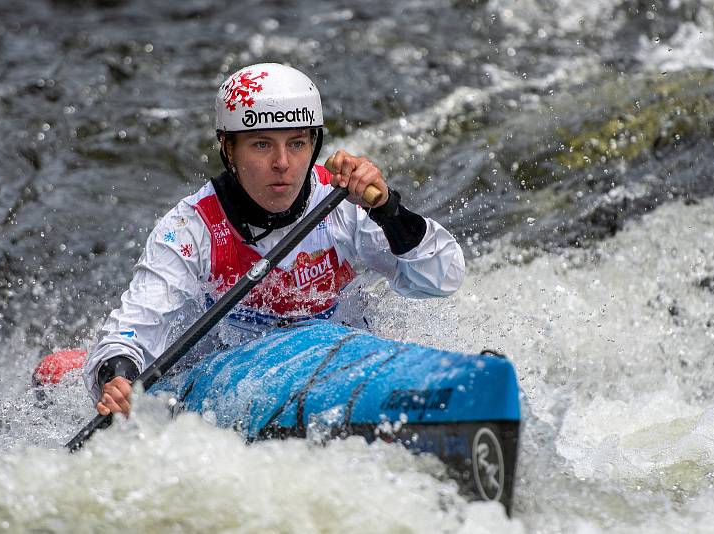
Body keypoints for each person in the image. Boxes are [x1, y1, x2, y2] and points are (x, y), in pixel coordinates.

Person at [84, 63, 465, 417]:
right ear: (228, 149)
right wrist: (116, 378)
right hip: (238, 385)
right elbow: (131, 334)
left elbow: (442, 279)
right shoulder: (189, 229)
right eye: (262, 145)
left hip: (347, 364)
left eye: (297, 143)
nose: (283, 163)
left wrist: (388, 210)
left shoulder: (342, 203)